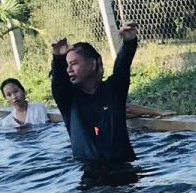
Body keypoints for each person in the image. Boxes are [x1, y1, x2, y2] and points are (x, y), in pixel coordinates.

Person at [50, 27, 139, 165]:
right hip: (90, 175)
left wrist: (129, 42)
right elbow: (59, 82)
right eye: (67, 65)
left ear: (93, 64)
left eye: (74, 63)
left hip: (125, 168)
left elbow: (122, 66)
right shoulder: (68, 100)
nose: (69, 69)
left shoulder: (114, 90)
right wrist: (57, 58)